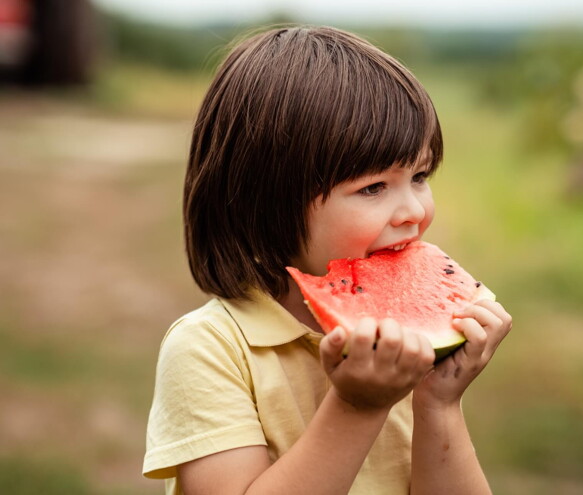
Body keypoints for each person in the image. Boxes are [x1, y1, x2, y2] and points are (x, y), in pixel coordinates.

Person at [143, 25, 512, 495]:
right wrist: (357, 406)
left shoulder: (401, 349)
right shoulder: (211, 349)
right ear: (267, 202)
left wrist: (438, 404)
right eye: (373, 187)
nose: (416, 211)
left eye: (420, 176)